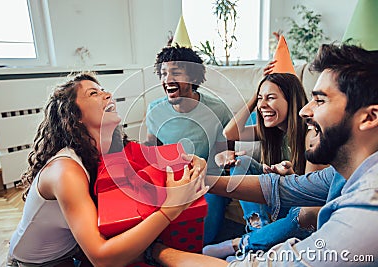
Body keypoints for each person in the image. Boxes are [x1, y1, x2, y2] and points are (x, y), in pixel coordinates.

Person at [144, 43, 378, 266]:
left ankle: (245, 240)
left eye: (319, 100)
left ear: (370, 118)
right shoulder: (340, 174)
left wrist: (154, 250)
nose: (305, 111)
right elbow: (280, 187)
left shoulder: (366, 213)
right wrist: (198, 178)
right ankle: (254, 232)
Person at [7, 72, 208, 267]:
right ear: (74, 115)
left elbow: (161, 160)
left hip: (73, 250)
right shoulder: (65, 170)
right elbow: (102, 259)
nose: (108, 94)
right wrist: (170, 210)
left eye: (103, 90)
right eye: (93, 93)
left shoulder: (110, 147)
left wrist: (194, 162)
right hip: (37, 263)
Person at [205, 71, 326, 260]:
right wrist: (256, 97)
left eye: (271, 97)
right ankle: (259, 228)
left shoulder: (310, 135)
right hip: (276, 199)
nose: (263, 105)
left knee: (300, 215)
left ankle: (246, 242)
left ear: (291, 100)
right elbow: (229, 133)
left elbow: (313, 196)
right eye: (261, 99)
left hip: (299, 205)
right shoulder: (272, 131)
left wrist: (290, 175)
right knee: (242, 162)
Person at [145, 45, 235, 245]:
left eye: (176, 72)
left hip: (208, 178)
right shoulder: (154, 111)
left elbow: (226, 151)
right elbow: (153, 149)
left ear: (193, 78)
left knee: (203, 237)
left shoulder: (217, 109)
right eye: (163, 73)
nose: (167, 79)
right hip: (172, 177)